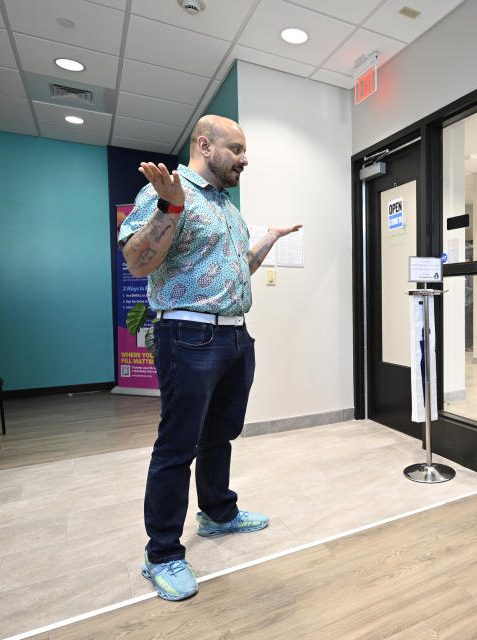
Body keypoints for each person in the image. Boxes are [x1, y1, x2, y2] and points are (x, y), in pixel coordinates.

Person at [117, 115, 301, 601]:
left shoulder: (227, 208)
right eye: (237, 149)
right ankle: (162, 554)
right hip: (188, 336)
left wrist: (269, 239)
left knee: (221, 435)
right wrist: (170, 207)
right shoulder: (170, 193)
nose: (245, 159)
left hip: (236, 338)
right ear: (205, 144)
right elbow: (137, 262)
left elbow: (239, 270)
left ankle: (218, 513)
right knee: (178, 445)